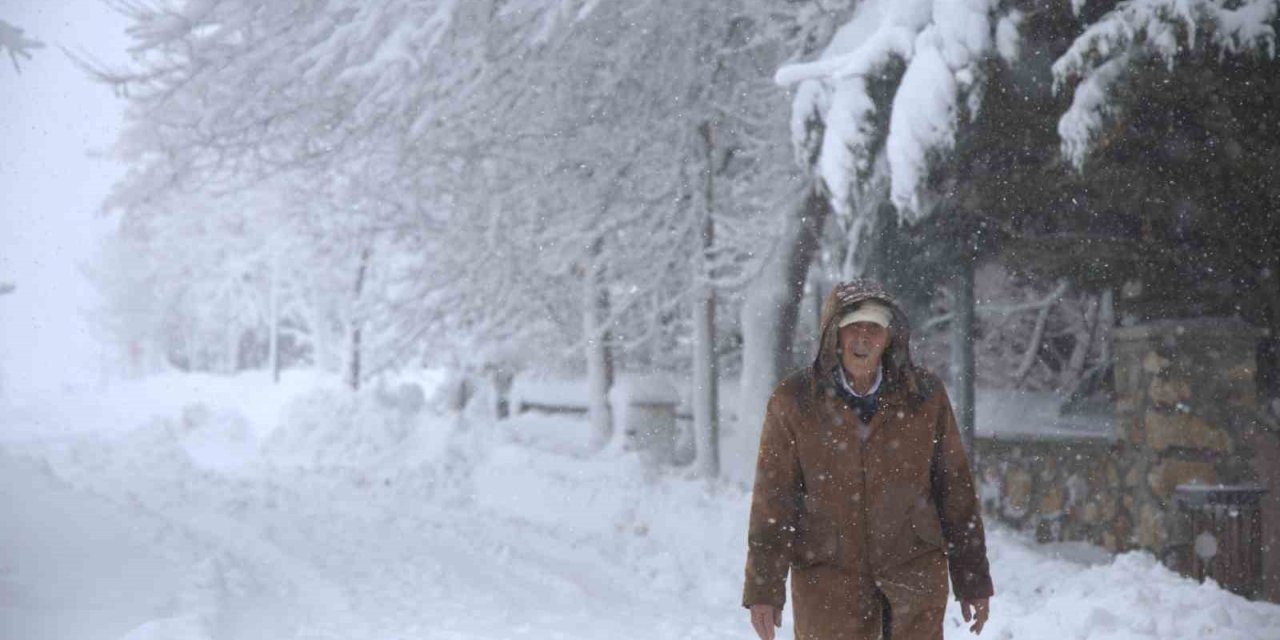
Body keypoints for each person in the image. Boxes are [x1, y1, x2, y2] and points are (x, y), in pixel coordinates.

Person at [743, 279, 993, 640]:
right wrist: (764, 591)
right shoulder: (795, 401)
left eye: (874, 327)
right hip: (828, 586)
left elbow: (955, 490)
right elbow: (773, 502)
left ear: (890, 337)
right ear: (834, 336)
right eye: (853, 327)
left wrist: (972, 579)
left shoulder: (924, 397)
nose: (863, 337)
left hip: (913, 578)